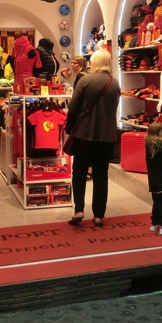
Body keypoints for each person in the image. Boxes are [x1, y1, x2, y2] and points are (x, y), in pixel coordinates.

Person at [66, 48, 121, 226]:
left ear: (94, 62)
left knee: (79, 172)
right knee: (101, 175)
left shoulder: (85, 81)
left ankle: (79, 210)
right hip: (107, 135)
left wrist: (69, 127)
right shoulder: (115, 83)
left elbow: (73, 107)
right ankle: (98, 215)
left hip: (84, 133)